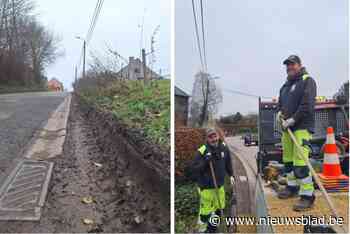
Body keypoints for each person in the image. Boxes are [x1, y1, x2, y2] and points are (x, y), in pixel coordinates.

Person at [277, 55, 317, 211]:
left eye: (292, 64)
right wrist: (279, 113)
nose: (289, 68)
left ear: (299, 65)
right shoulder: (285, 86)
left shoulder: (307, 81)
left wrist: (293, 120)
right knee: (288, 162)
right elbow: (280, 104)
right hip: (287, 129)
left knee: (300, 164)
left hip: (301, 128)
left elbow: (307, 105)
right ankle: (292, 188)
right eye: (287, 65)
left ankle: (308, 196)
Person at [189, 128, 234, 233]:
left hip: (219, 187)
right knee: (205, 213)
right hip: (207, 188)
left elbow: (228, 163)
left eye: (215, 136)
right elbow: (193, 170)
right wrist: (205, 161)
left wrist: (231, 175)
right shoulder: (202, 151)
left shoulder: (223, 148)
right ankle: (202, 231)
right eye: (211, 137)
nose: (214, 139)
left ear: (218, 136)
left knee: (219, 209)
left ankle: (212, 229)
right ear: (207, 139)